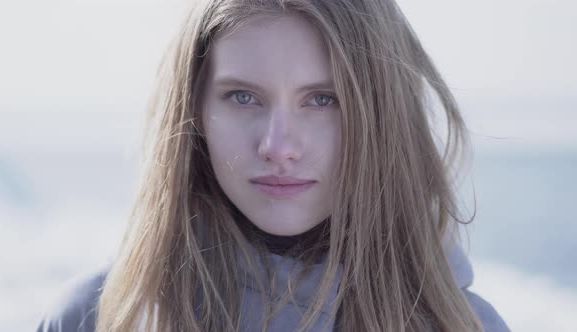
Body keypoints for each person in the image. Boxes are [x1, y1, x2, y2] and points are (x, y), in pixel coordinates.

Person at [37, 0, 510, 331]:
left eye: (324, 99)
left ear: (384, 116)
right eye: (243, 96)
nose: (278, 145)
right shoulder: (99, 317)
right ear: (193, 111)